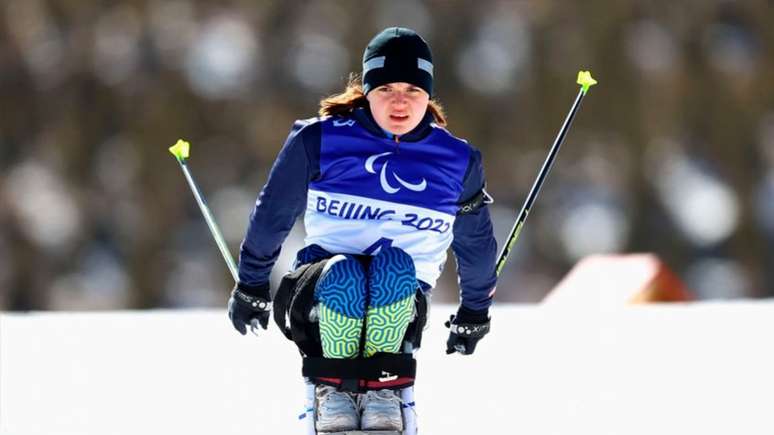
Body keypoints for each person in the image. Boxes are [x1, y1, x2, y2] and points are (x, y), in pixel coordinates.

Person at [228, 27, 498, 433]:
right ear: (368, 90)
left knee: (393, 268)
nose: (400, 101)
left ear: (429, 93)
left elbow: (475, 242)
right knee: (347, 274)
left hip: (403, 299)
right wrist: (251, 283)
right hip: (319, 291)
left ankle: (382, 390)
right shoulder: (318, 139)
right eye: (387, 88)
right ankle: (333, 390)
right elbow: (273, 214)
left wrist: (475, 310)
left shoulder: (457, 160)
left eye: (412, 88)